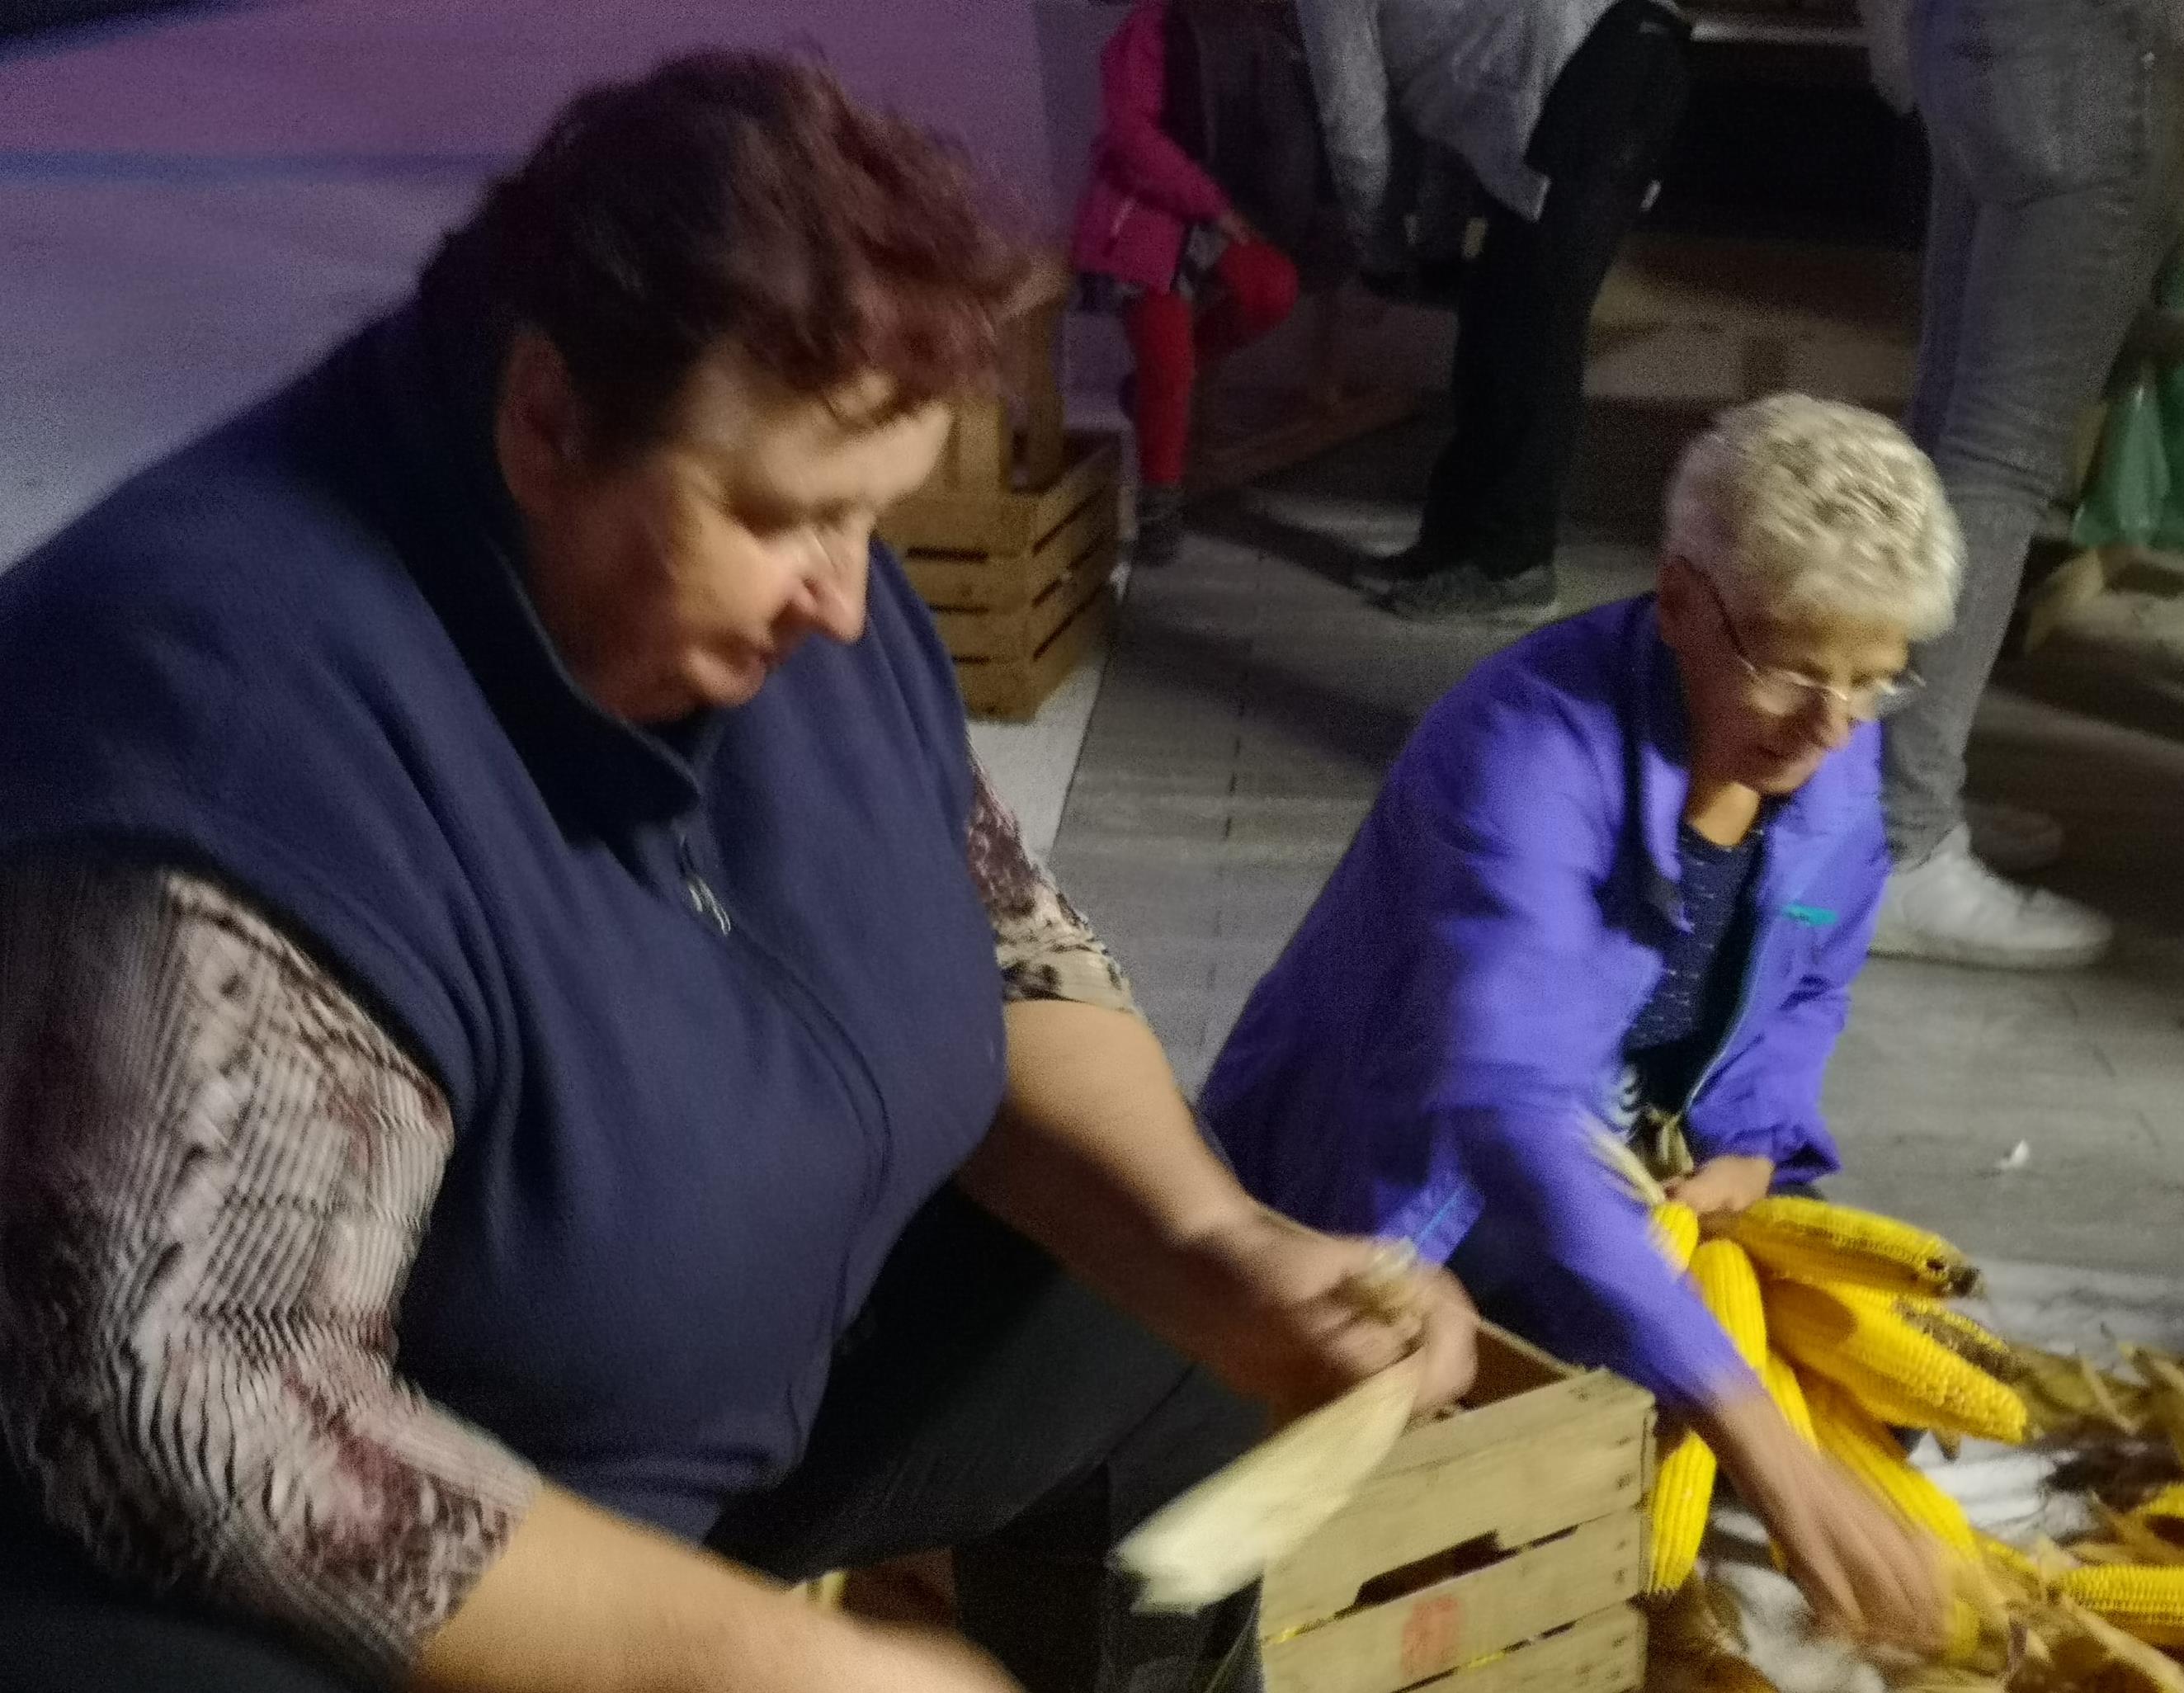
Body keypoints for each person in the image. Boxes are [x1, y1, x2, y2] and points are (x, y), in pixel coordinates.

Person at [0, 54, 1476, 1693]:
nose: (844, 601)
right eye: (785, 519)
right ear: (547, 421)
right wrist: (753, 1661)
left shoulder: (759, 583)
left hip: (706, 1382)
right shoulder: (225, 761)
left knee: (1166, 1337)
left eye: (871, 520)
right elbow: (192, 1411)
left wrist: (1210, 1243)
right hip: (321, 1548)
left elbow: (992, 920)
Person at [1204, 397, 1960, 1646]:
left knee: (1878, 1391)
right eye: (1793, 667)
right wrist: (1756, 1435)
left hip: (1643, 1154)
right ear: (1680, 602)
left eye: (1875, 681)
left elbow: (1814, 971)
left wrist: (1754, 1137)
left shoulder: (1832, 742)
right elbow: (1507, 1108)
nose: (1832, 726)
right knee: (1453, 1487)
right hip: (1424, 1176)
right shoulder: (1524, 748)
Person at [1865, 0, 2184, 969]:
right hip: (2097, 58)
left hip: (1972, 39)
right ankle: (1905, 842)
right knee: (2001, 454)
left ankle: (1885, 792)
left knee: (1950, 426)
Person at [1294, 0, 1691, 622]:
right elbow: (1459, 116)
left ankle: (1513, 565)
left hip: (1588, 79)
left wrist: (1380, 263)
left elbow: (1354, 119)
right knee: (1490, 332)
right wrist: (1437, 249)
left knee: (1532, 347)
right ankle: (1453, 545)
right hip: (1604, 59)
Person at [1071, 0, 1304, 569]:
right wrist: (1213, 203)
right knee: (1168, 362)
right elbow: (1133, 136)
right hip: (1143, 209)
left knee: (1270, 288)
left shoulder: (1252, 25)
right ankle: (1160, 501)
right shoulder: (1151, 27)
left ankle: (1153, 396)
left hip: (1219, 205)